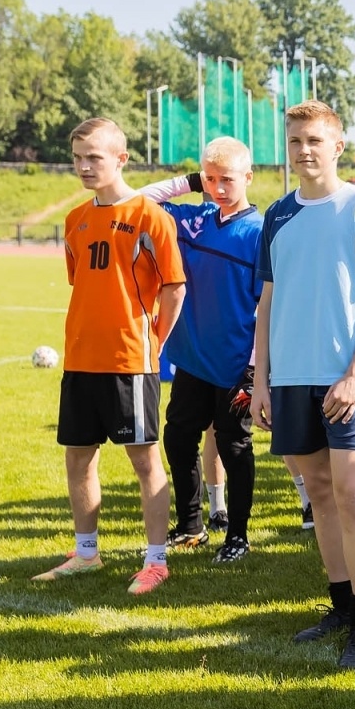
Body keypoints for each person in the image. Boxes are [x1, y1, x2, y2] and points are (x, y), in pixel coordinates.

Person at [253, 100, 355, 668]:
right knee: (317, 493)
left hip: (346, 380)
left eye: (314, 140)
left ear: (337, 146)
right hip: (289, 377)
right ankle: (339, 606)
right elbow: (265, 305)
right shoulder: (277, 215)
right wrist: (260, 381)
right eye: (295, 142)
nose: (304, 150)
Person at [34, 118, 187, 595]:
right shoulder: (74, 219)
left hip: (130, 359)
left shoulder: (150, 216)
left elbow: (174, 288)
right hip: (81, 357)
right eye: (78, 157)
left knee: (144, 461)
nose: (83, 166)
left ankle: (157, 560)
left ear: (121, 158)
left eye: (93, 157)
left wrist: (154, 342)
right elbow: (82, 283)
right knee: (79, 457)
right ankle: (86, 552)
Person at [145, 137, 263, 564]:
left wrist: (254, 371)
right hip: (192, 360)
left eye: (227, 179)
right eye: (210, 180)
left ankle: (238, 535)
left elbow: (267, 307)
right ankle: (191, 524)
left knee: (234, 449)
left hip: (235, 367)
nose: (218, 188)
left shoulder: (259, 233)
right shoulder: (194, 220)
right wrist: (190, 181)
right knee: (177, 438)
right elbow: (138, 202)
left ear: (248, 178)